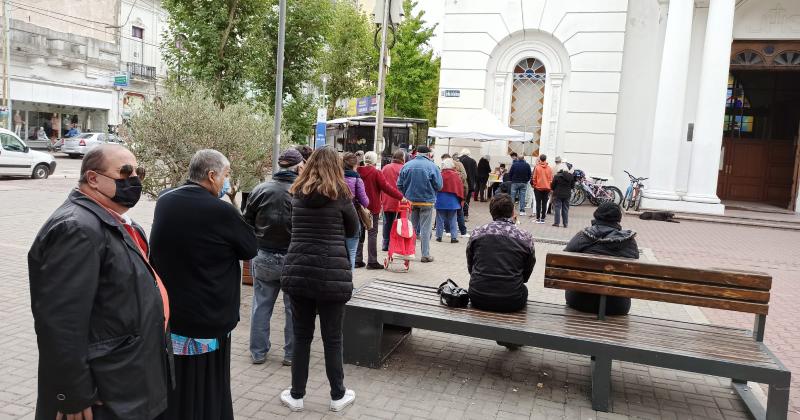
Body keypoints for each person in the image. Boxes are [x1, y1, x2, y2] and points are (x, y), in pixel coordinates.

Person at [29, 144, 171, 420]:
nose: (135, 180)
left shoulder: (115, 221)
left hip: (126, 379)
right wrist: (72, 393)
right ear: (93, 179)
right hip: (103, 393)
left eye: (138, 172)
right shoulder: (76, 228)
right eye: (125, 172)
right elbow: (61, 323)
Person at [150, 149, 258, 420]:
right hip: (207, 316)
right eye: (226, 175)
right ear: (211, 175)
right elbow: (250, 247)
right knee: (206, 384)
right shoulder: (220, 210)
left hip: (172, 315)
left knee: (177, 380)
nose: (227, 182)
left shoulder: (165, 200)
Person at [280, 146, 359, 413]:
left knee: (301, 336)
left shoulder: (296, 194)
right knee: (333, 338)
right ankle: (337, 395)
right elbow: (353, 229)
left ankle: (296, 395)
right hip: (332, 275)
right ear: (335, 167)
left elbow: (291, 228)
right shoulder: (342, 195)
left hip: (299, 271)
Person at [243, 149, 304, 366]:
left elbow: (246, 222)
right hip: (293, 257)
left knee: (261, 306)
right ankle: (290, 355)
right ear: (298, 166)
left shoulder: (260, 189)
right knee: (293, 310)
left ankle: (258, 352)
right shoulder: (303, 191)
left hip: (264, 254)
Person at [564, 203, 638, 315]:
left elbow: (565, 260)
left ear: (597, 215)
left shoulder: (583, 236)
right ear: (618, 219)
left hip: (580, 300)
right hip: (617, 305)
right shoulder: (629, 242)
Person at [467, 193, 535, 312]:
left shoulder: (477, 232)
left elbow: (470, 266)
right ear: (513, 212)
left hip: (478, 295)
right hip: (512, 299)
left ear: (491, 212)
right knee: (523, 289)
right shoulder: (525, 236)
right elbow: (527, 270)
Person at [357, 151, 403, 268]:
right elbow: (386, 188)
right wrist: (400, 197)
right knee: (372, 233)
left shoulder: (357, 171)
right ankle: (372, 261)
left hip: (359, 206)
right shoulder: (376, 172)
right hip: (372, 207)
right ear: (374, 161)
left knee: (360, 232)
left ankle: (357, 259)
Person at [397, 145, 443, 263]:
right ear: (428, 154)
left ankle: (409, 252)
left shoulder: (407, 165)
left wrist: (406, 194)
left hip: (411, 201)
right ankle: (425, 255)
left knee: (411, 228)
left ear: (417, 153)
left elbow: (399, 184)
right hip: (427, 202)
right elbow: (439, 186)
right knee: (425, 229)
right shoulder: (432, 166)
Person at [343, 152, 369, 268]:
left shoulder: (336, 177)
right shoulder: (357, 179)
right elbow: (365, 202)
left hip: (337, 218)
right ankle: (349, 283)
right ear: (355, 165)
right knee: (351, 253)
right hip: (352, 217)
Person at [381, 150, 406, 251]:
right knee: (399, 223)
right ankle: (396, 244)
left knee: (387, 222)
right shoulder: (404, 168)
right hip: (400, 200)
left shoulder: (386, 168)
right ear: (402, 158)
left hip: (386, 199)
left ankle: (385, 244)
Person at [435, 158, 464, 243]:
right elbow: (460, 188)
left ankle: (439, 236)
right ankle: (453, 237)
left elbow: (436, 186)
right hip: (453, 200)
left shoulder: (440, 174)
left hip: (441, 199)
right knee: (453, 219)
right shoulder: (455, 175)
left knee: (439, 218)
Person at [442, 153, 469, 236]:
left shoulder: (446, 171)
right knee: (459, 212)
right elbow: (464, 177)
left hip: (451, 193)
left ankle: (448, 231)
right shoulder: (455, 171)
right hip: (458, 192)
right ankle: (462, 232)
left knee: (448, 213)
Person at [531, 154, 553, 224]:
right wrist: (549, 186)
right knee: (544, 203)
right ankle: (543, 218)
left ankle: (538, 218)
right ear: (545, 159)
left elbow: (534, 178)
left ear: (540, 159)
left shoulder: (537, 167)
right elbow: (551, 179)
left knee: (538, 203)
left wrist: (534, 185)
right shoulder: (549, 168)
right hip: (547, 188)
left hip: (538, 188)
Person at [458, 149, 478, 216]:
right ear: (469, 154)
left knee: (458, 199)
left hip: (459, 183)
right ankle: (465, 214)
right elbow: (476, 174)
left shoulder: (458, 160)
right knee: (467, 200)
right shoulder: (473, 161)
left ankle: (458, 214)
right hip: (470, 183)